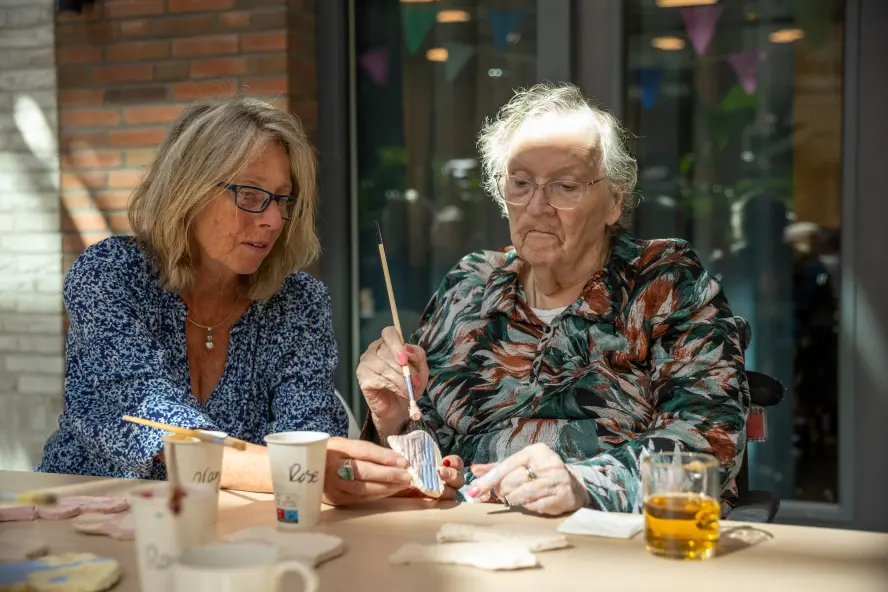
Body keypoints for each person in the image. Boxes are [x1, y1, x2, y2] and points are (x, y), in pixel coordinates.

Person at [350, 82, 750, 516]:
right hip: (460, 541)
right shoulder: (468, 285)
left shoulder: (663, 282)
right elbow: (425, 462)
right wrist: (392, 418)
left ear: (615, 200)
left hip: (601, 543)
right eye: (520, 183)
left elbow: (707, 447)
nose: (537, 206)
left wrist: (582, 485)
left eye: (565, 186)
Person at [35, 98, 397, 496]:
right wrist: (300, 471)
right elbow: (147, 421)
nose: (273, 219)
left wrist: (387, 448)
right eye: (250, 194)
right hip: (83, 516)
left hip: (233, 536)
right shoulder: (110, 274)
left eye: (283, 198)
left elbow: (309, 439)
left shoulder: (298, 300)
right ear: (187, 190)